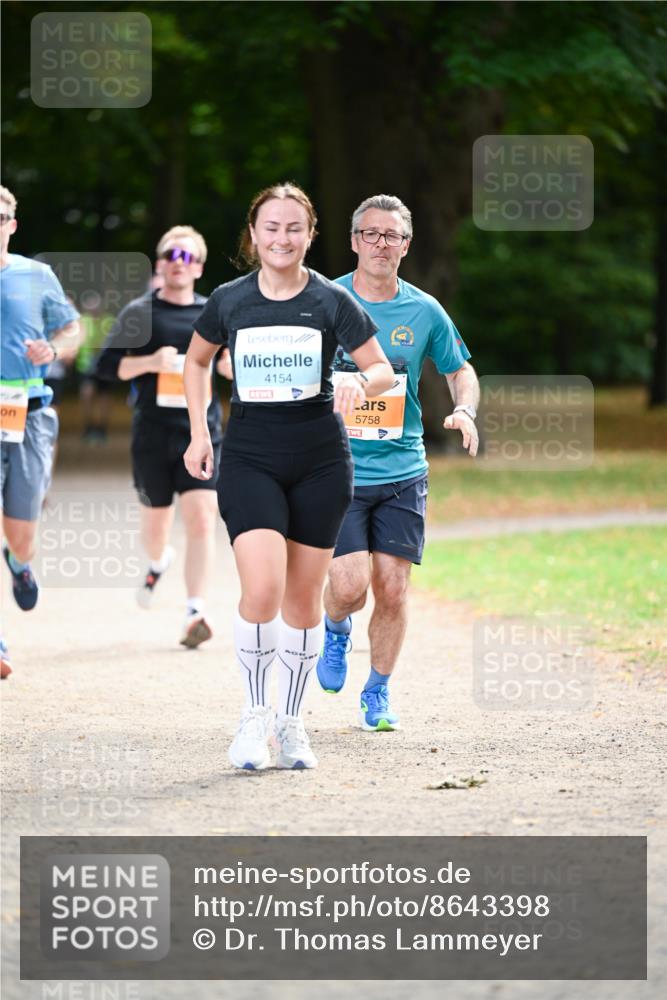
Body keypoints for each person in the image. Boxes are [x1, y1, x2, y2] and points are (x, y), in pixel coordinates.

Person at [183, 182, 393, 771]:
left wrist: (359, 381)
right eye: (271, 227)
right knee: (262, 590)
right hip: (250, 457)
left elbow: (381, 369)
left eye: (294, 228)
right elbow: (196, 361)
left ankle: (291, 722)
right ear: (254, 234)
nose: (282, 238)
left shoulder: (331, 300)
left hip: (320, 461)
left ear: (310, 235)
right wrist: (199, 432)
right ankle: (254, 715)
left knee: (302, 602)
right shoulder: (229, 300)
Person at [315, 193, 479, 730]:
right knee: (349, 587)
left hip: (403, 471)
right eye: (371, 234)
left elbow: (460, 369)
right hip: (337, 469)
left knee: (392, 587)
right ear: (354, 241)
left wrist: (464, 409)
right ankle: (335, 628)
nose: (381, 244)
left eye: (392, 236)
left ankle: (378, 692)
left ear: (406, 246)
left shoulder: (424, 310)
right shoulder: (325, 300)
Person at [95, 225, 221, 649]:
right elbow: (107, 367)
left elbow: (228, 363)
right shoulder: (139, 312)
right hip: (152, 433)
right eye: (170, 255)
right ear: (160, 263)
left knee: (202, 518)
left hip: (200, 431)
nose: (177, 263)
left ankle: (195, 611)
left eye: (186, 257)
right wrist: (150, 361)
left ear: (199, 267)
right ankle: (158, 559)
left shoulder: (213, 312)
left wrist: (229, 367)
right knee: (155, 529)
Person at [0, 184, 80, 678]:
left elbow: (72, 329)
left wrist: (54, 349)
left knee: (21, 534)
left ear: (11, 225)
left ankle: (19, 561)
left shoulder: (36, 275)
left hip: (26, 414)